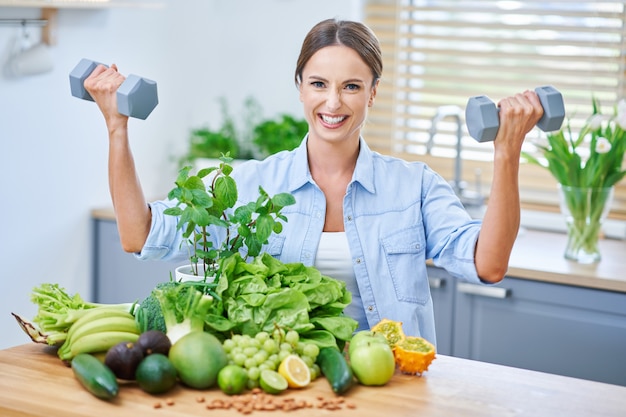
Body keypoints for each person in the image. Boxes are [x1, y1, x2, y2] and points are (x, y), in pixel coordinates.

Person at [84, 18, 543, 345]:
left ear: (373, 93)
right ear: (300, 86)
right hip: (282, 381)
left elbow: (488, 265)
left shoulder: (415, 187)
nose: (333, 102)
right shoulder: (250, 186)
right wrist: (116, 127)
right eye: (320, 84)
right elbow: (138, 234)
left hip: (392, 384)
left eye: (351, 86)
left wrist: (506, 152)